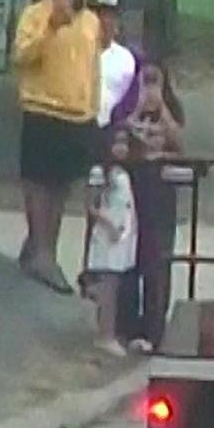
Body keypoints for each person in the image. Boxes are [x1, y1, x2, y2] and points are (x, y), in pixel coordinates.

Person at [11, 0, 102, 295]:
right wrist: (51, 27)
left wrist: (92, 109)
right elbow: (21, 56)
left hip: (77, 114)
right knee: (38, 183)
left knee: (62, 185)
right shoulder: (36, 15)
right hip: (42, 109)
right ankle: (41, 252)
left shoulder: (90, 22)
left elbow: (93, 70)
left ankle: (44, 246)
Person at [122, 60, 186, 352]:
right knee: (130, 256)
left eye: (154, 81)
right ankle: (126, 324)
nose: (149, 88)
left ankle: (154, 328)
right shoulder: (128, 107)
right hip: (132, 186)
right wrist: (137, 108)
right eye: (144, 81)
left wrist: (162, 109)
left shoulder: (172, 110)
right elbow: (121, 136)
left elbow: (178, 142)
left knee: (158, 259)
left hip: (161, 190)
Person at [82, 130, 138, 356]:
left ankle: (110, 332)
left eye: (125, 143)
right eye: (117, 142)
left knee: (115, 285)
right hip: (108, 234)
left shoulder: (122, 171)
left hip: (123, 234)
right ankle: (105, 335)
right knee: (108, 285)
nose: (122, 147)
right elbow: (91, 206)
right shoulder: (99, 172)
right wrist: (109, 224)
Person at [93, 0, 141, 130]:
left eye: (110, 16)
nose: (104, 21)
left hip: (113, 128)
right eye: (100, 15)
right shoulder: (78, 52)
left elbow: (132, 98)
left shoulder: (126, 59)